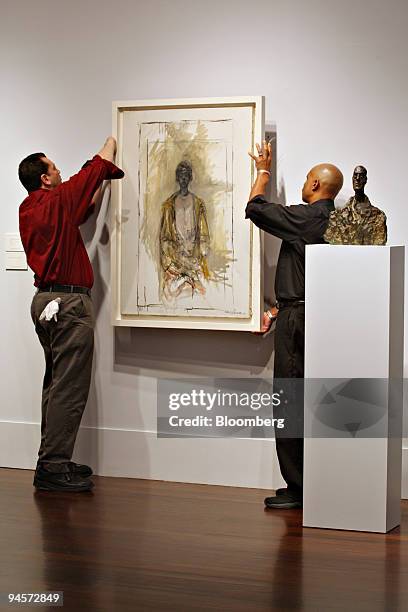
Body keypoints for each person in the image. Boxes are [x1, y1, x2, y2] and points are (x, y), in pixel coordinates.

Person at [18, 137, 124, 492]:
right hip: (67, 304)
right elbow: (94, 167)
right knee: (68, 388)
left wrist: (98, 188)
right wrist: (111, 140)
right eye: (54, 167)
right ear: (45, 178)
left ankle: (51, 459)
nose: (60, 170)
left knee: (55, 384)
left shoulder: (32, 207)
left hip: (44, 301)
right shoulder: (57, 200)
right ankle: (53, 466)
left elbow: (84, 209)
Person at [246, 141, 343, 509]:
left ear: (316, 186)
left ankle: (300, 487)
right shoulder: (328, 220)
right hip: (306, 314)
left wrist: (263, 172)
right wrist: (275, 311)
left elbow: (254, 209)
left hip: (297, 321)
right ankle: (306, 483)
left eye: (306, 179)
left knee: (288, 400)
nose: (304, 184)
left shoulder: (309, 218)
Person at [160, 161, 210, 299]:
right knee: (172, 296)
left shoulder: (198, 203)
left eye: (186, 175)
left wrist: (200, 256)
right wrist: (175, 259)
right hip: (176, 263)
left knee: (201, 294)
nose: (183, 179)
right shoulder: (168, 205)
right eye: (180, 175)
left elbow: (204, 234)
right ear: (177, 178)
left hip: (195, 261)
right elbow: (164, 238)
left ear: (190, 178)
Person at [324, 165, 387, 245]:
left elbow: (379, 243)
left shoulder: (378, 216)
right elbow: (331, 239)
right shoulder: (337, 216)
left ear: (365, 180)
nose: (357, 179)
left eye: (361, 176)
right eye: (355, 175)